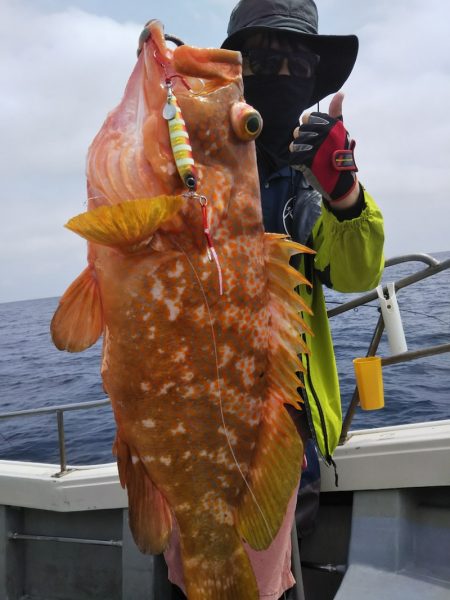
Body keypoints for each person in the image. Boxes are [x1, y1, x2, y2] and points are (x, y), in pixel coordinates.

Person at [165, 0, 384, 598]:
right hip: (192, 415)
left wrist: (343, 192)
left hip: (284, 427)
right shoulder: (189, 161)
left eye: (295, 61)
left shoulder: (315, 177)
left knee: (273, 575)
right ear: (236, 73)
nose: (280, 75)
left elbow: (360, 273)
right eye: (263, 60)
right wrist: (172, 119)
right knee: (187, 567)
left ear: (315, 75)